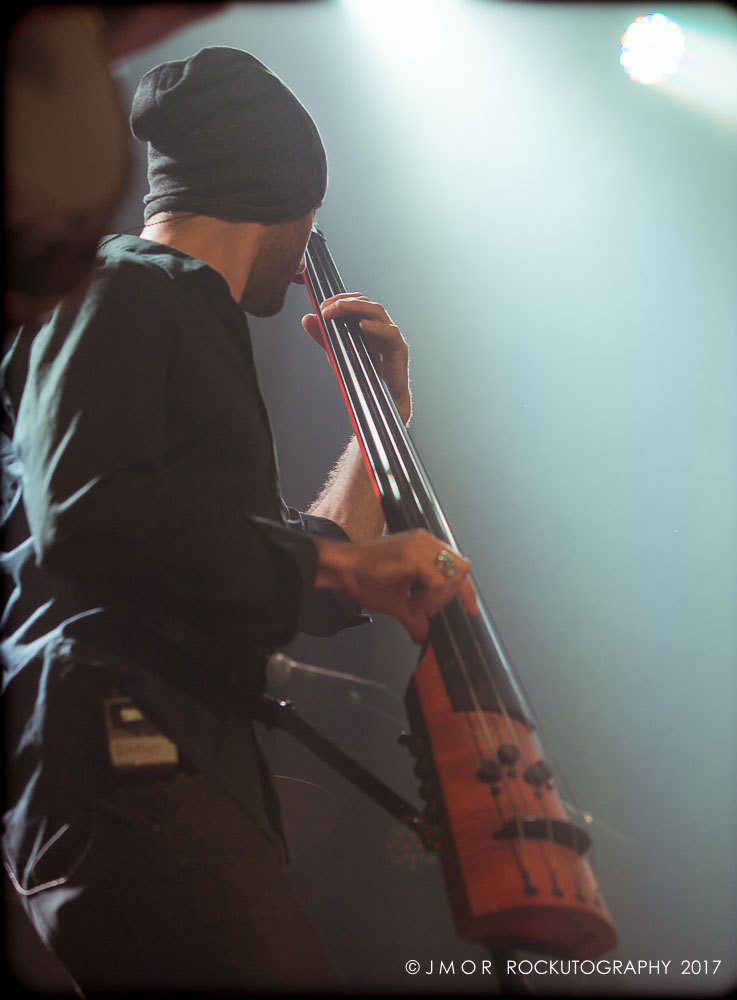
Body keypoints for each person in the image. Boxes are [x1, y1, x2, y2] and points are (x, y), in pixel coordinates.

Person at [1, 47, 477, 993]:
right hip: (122, 748)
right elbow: (89, 513)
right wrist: (339, 569)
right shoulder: (122, 285)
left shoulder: (171, 312)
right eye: (311, 217)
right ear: (283, 197)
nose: (308, 253)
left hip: (172, 753)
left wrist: (379, 427)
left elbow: (289, 574)